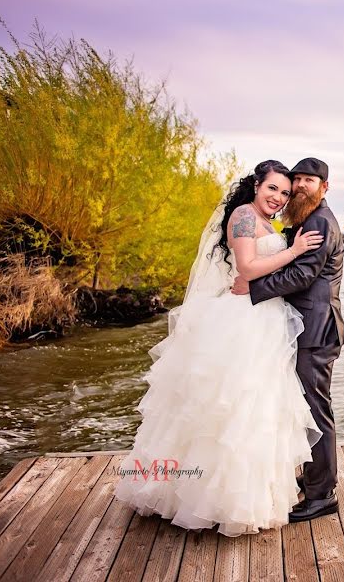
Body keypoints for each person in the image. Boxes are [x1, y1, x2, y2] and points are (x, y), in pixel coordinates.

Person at [114, 160, 325, 536]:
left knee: (258, 409)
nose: (278, 197)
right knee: (230, 407)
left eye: (284, 192)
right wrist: (293, 252)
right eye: (272, 188)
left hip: (263, 319)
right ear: (256, 186)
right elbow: (246, 268)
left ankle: (246, 496)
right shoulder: (244, 216)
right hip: (241, 321)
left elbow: (261, 269)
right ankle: (205, 498)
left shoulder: (266, 222)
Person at [231, 157, 344, 522]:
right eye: (296, 180)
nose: (299, 186)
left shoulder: (319, 223)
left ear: (324, 187)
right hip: (305, 326)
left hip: (317, 329)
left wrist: (253, 288)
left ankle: (322, 495)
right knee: (303, 407)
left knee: (315, 409)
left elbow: (303, 276)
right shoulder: (305, 219)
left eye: (308, 181)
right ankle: (313, 479)